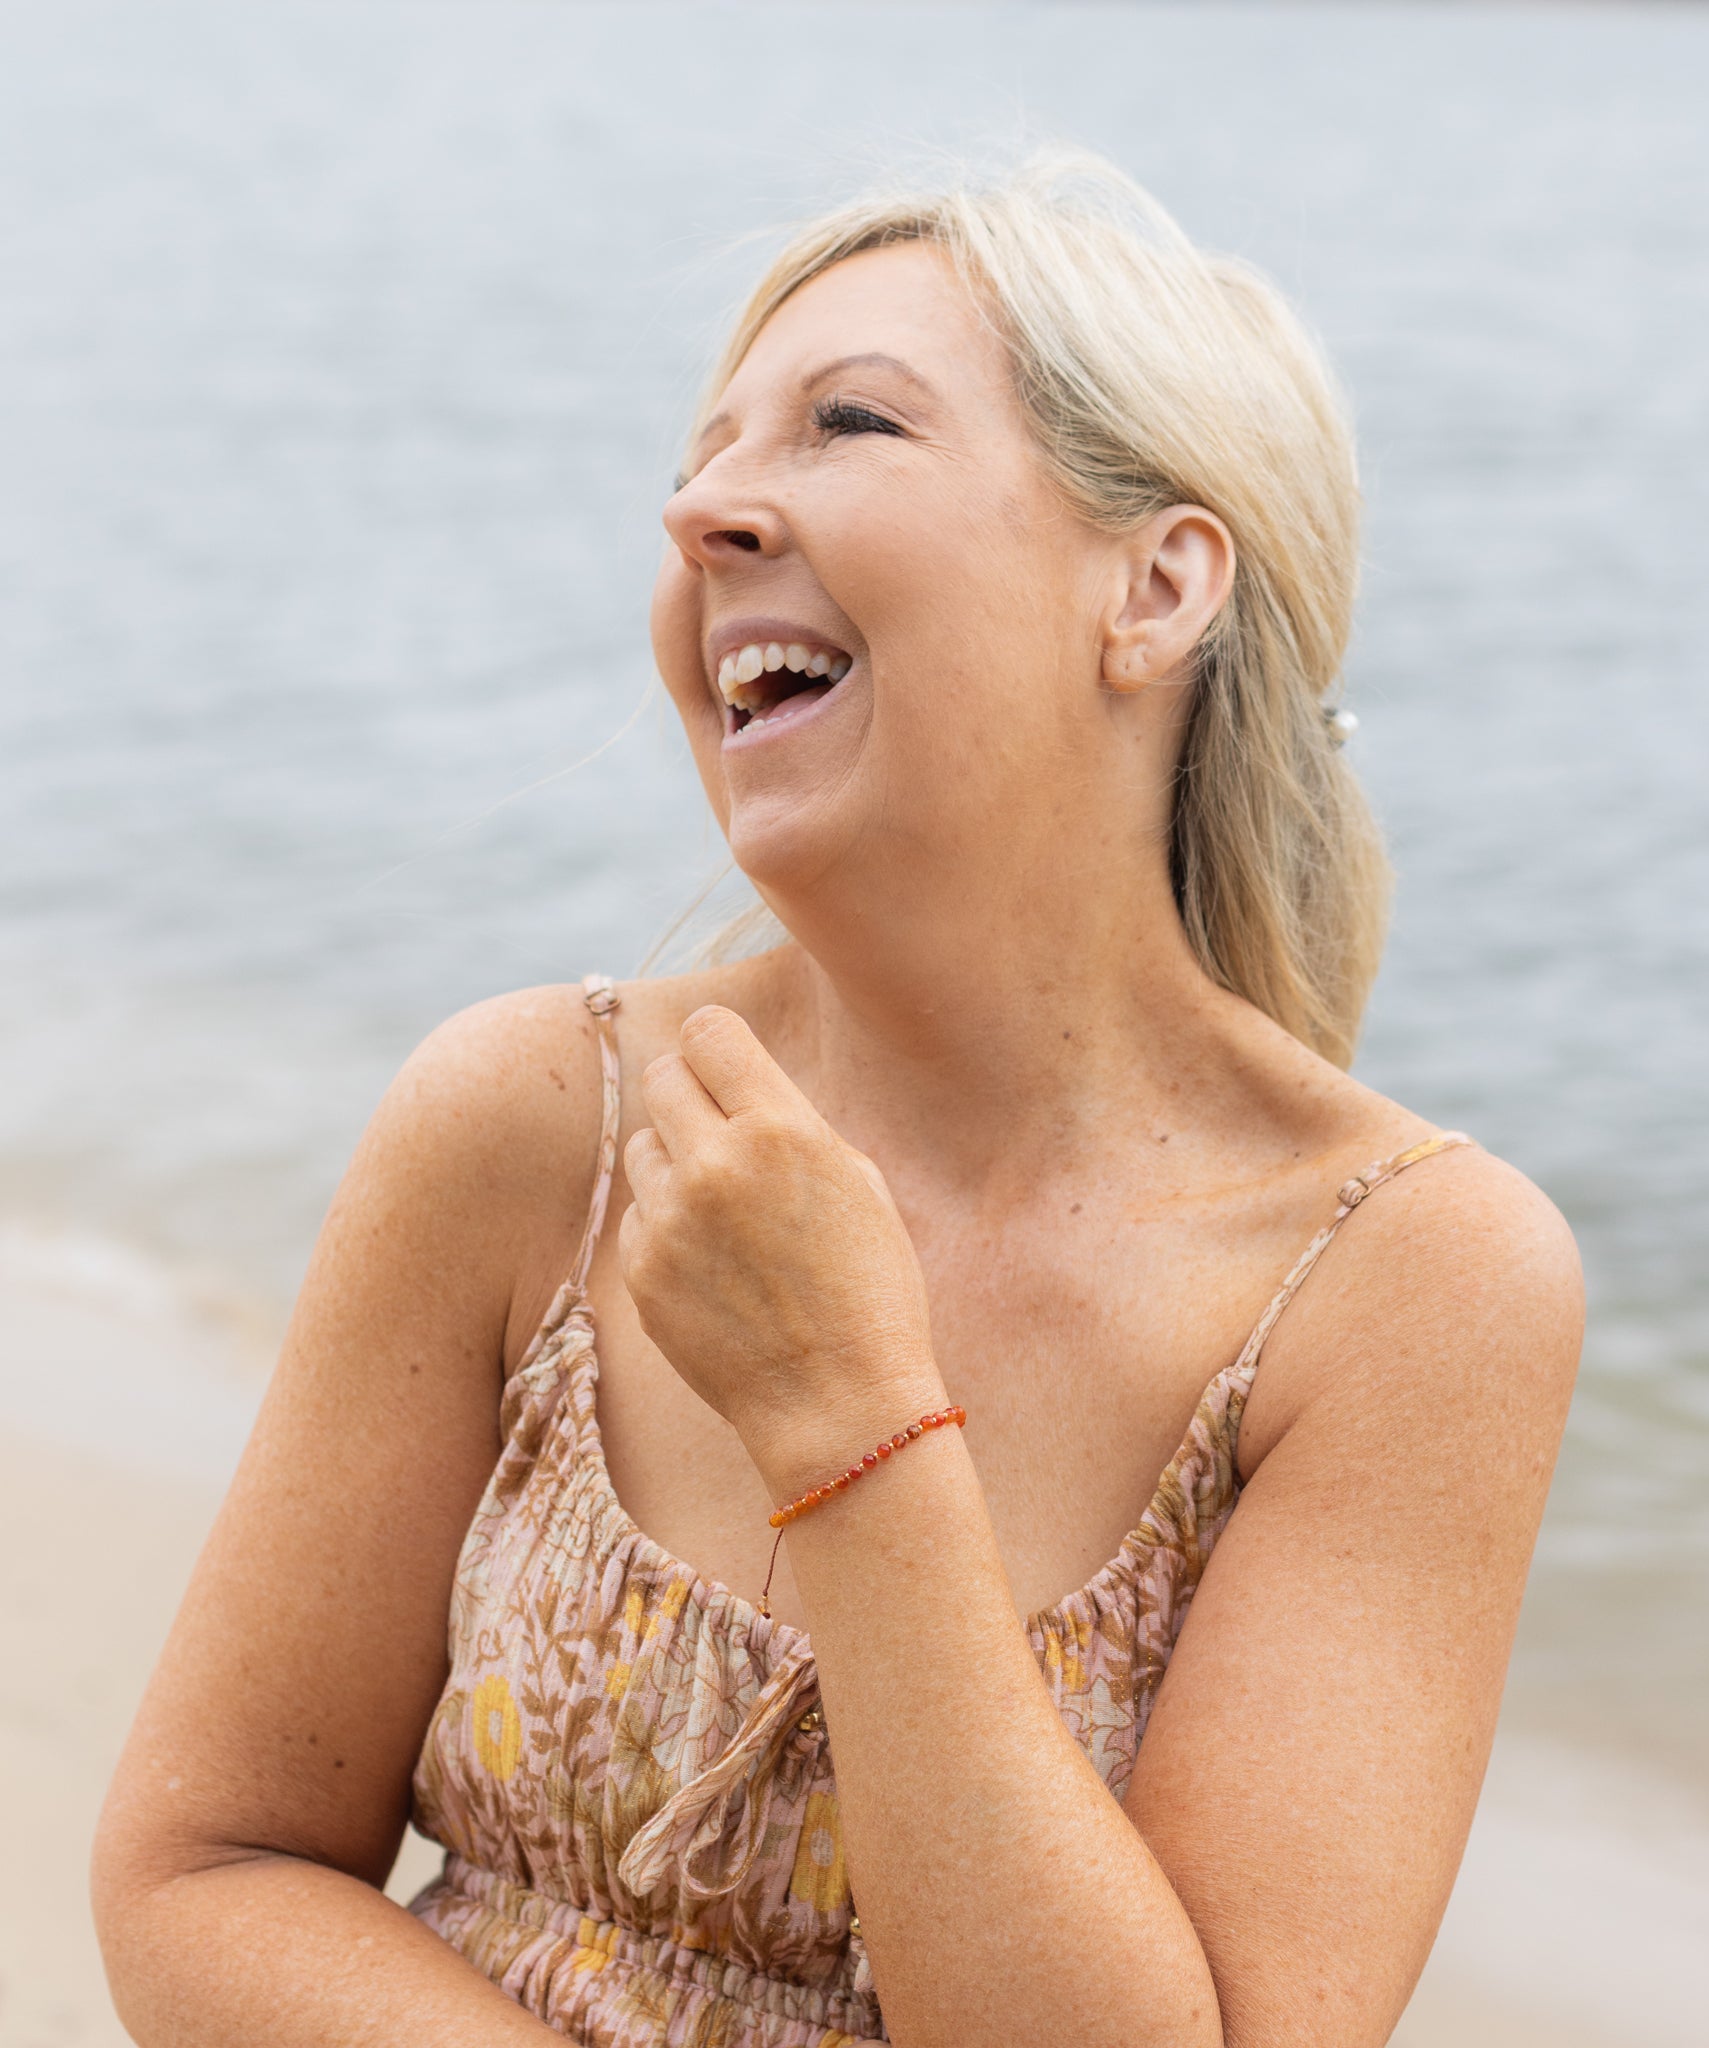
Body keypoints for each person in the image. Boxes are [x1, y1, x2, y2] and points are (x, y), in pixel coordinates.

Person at [92, 152, 1582, 2048]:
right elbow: (207, 1869)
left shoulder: (1407, 1281)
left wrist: (853, 1424)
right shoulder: (533, 1122)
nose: (700, 507)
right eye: (705, 455)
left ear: (1155, 588)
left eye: (848, 423)